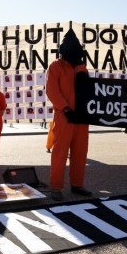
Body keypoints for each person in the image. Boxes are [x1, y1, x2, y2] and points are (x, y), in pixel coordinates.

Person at [45, 28, 92, 201]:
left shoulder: (82, 68)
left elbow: (89, 91)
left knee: (80, 153)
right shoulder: (55, 66)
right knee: (60, 153)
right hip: (64, 116)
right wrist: (65, 109)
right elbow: (52, 91)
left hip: (81, 117)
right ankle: (56, 187)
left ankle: (77, 185)